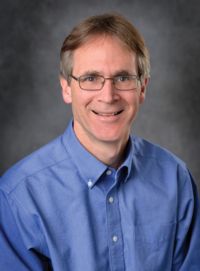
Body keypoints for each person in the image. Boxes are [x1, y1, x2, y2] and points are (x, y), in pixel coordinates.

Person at [0, 13, 199, 271]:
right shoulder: (18, 197)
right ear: (66, 88)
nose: (108, 95)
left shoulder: (175, 179)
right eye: (91, 78)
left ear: (142, 88)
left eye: (123, 78)